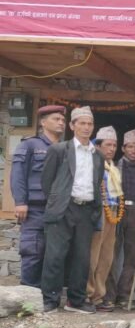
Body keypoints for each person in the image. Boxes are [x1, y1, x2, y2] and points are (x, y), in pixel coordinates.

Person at [39, 106, 103, 314]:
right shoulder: (59, 150)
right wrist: (58, 202)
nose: (86, 127)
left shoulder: (97, 155)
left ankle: (76, 300)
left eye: (90, 124)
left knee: (81, 258)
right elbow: (47, 182)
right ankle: (50, 299)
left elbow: (96, 183)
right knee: (55, 255)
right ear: (72, 126)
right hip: (63, 208)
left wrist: (94, 211)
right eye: (82, 123)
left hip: (86, 210)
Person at [11, 105, 65, 287]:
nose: (61, 122)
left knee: (54, 254)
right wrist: (20, 202)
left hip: (59, 210)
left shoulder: (65, 148)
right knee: (33, 251)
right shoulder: (30, 145)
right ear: (43, 122)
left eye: (63, 120)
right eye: (56, 119)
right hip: (35, 208)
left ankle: (47, 295)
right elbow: (18, 175)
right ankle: (28, 294)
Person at [105, 129, 135, 310]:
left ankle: (124, 295)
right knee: (111, 253)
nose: (133, 151)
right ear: (123, 149)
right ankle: (108, 295)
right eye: (130, 147)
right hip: (116, 211)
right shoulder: (114, 167)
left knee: (131, 256)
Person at [88, 126, 124, 310]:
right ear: (98, 145)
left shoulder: (113, 168)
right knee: (93, 255)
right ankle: (87, 294)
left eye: (114, 145)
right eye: (108, 145)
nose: (112, 149)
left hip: (113, 211)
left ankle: (98, 296)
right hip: (98, 211)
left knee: (106, 256)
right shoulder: (92, 163)